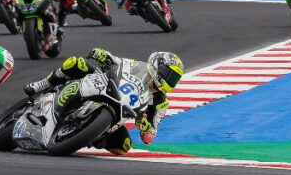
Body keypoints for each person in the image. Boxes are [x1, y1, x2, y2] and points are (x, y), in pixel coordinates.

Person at [23, 48, 184, 155]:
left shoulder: (160, 102)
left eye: (174, 78)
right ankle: (42, 84)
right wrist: (102, 54)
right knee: (76, 63)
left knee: (124, 146)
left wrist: (145, 126)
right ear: (158, 65)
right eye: (168, 74)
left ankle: (86, 135)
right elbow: (115, 60)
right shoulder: (137, 65)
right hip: (105, 86)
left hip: (119, 113)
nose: (169, 80)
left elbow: (150, 137)